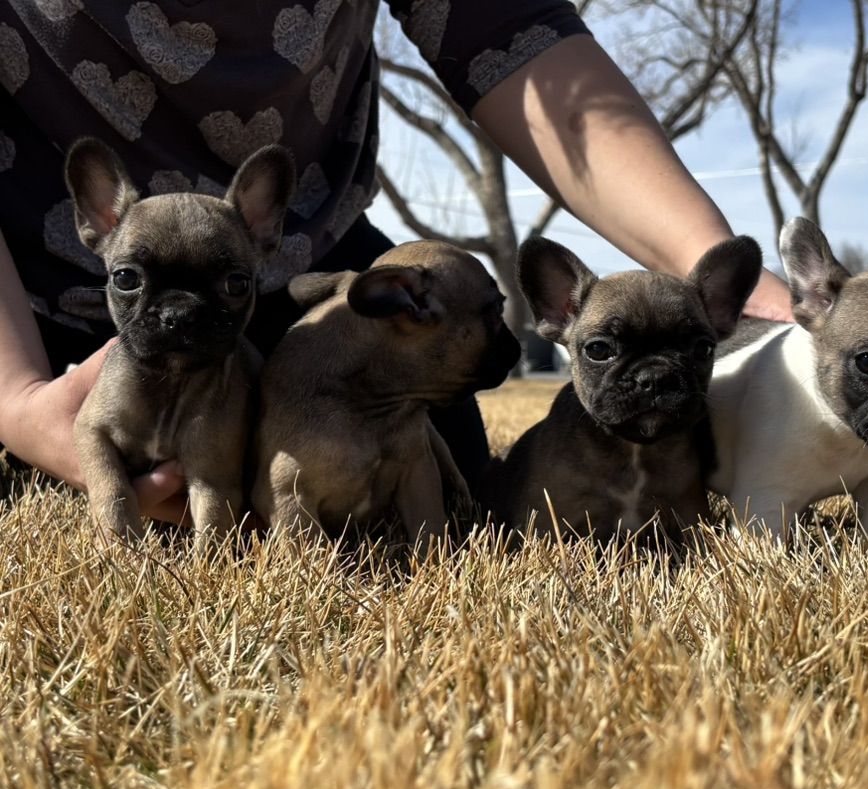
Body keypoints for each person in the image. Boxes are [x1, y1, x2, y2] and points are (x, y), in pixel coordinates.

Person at [0, 1, 792, 525]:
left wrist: (717, 270)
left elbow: (513, 34)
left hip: (324, 273)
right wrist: (16, 395)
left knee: (451, 495)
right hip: (43, 306)